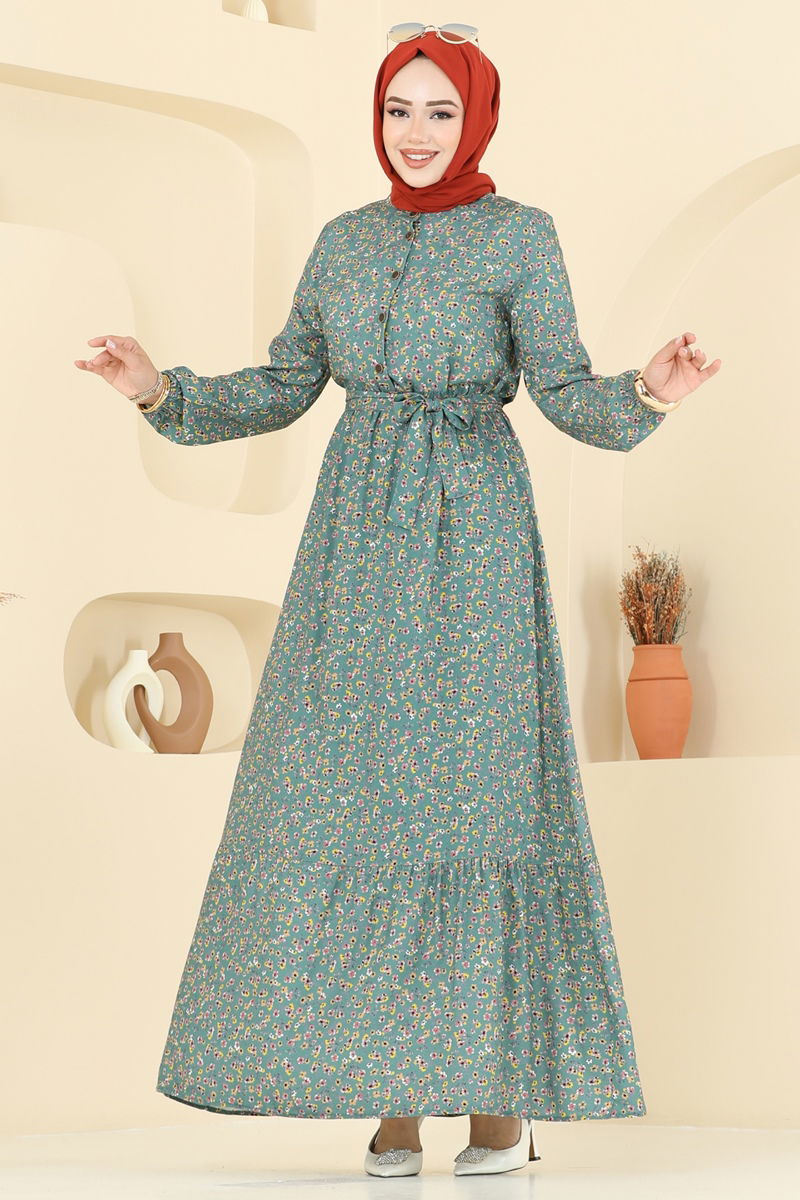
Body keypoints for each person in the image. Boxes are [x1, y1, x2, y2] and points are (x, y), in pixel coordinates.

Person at [74, 24, 721, 1180]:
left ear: (476, 118)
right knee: (354, 801)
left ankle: (492, 1100)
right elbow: (285, 383)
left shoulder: (520, 236)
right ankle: (392, 1096)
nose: (414, 133)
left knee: (473, 802)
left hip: (471, 533)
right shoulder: (343, 241)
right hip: (353, 543)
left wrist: (649, 394)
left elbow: (563, 389)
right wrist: (157, 388)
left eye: (438, 111)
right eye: (395, 110)